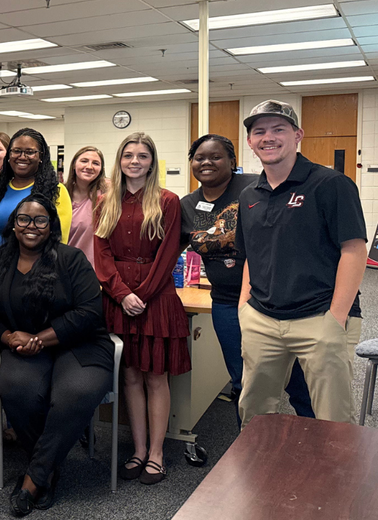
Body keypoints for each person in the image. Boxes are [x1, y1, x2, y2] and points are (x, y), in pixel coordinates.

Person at [236, 100, 367, 427]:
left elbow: (354, 251)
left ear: (298, 135)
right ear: (250, 142)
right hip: (262, 319)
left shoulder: (331, 184)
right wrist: (244, 308)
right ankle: (260, 462)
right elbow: (252, 253)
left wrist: (336, 318)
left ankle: (335, 466)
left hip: (320, 317)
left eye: (278, 129)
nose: (268, 137)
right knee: (254, 412)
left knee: (333, 419)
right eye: (259, 131)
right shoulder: (249, 195)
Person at [0, 195, 114, 516]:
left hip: (80, 344)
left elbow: (90, 312)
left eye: (40, 220)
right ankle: (47, 469)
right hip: (24, 347)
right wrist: (8, 336)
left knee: (74, 391)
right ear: (13, 225)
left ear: (51, 225)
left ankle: (34, 478)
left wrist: (40, 338)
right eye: (24, 219)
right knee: (16, 388)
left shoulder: (71, 259)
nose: (32, 226)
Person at [182, 134, 314, 430]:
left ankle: (317, 442)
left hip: (273, 300)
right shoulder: (188, 205)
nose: (206, 162)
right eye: (199, 158)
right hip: (226, 302)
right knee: (243, 379)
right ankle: (253, 443)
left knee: (298, 381)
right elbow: (170, 247)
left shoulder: (255, 188)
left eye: (215, 156)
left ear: (232, 161)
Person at [95, 133, 189, 485]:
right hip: (118, 298)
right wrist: (122, 294)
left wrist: (142, 294)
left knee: (156, 375)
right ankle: (137, 449)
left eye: (143, 156)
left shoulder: (168, 201)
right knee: (130, 375)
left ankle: (157, 454)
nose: (135, 161)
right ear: (119, 161)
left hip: (155, 297)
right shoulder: (106, 202)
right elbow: (101, 253)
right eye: (128, 155)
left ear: (152, 162)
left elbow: (168, 254)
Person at [0, 128, 72, 265]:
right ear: (9, 155)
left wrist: (25, 269)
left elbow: (58, 240)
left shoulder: (56, 191)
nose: (22, 156)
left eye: (30, 152)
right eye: (16, 151)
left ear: (41, 156)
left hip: (37, 270)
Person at [65, 146, 107, 267]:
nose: (89, 166)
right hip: (64, 267)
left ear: (101, 170)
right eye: (84, 161)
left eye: (96, 163)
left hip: (94, 270)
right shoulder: (60, 195)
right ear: (74, 165)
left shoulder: (106, 196)